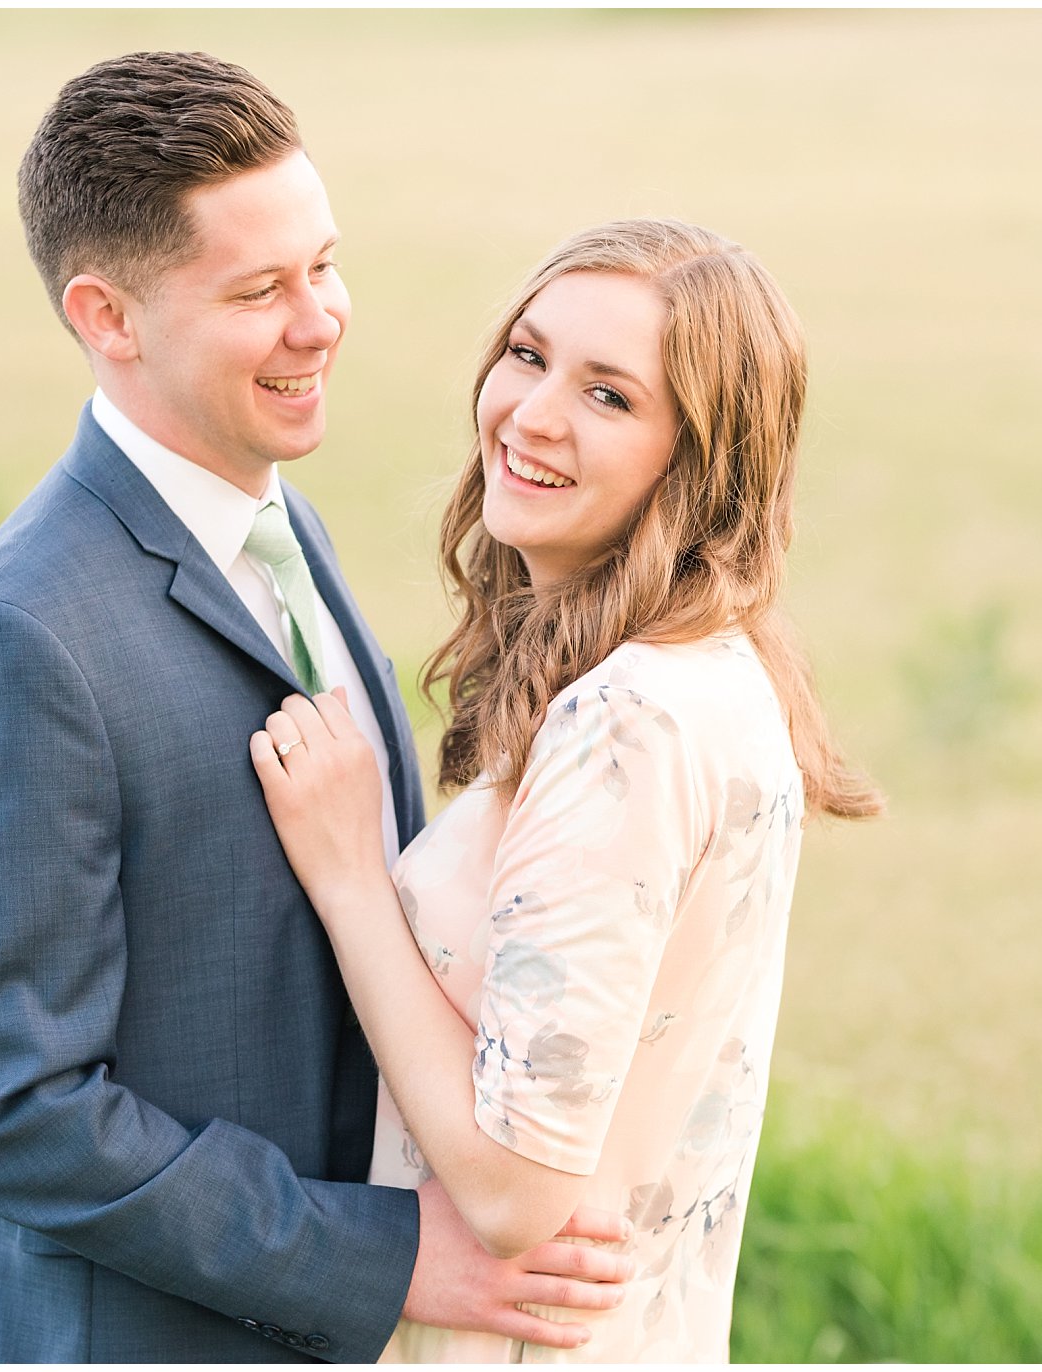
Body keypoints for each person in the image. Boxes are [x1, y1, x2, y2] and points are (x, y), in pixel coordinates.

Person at [0, 52, 631, 1363]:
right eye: (259, 291)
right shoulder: (16, 641)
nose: (321, 321)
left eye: (324, 265)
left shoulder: (290, 526)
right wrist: (385, 1257)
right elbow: (12, 1110)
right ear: (108, 317)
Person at [250, 218, 884, 1362]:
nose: (531, 414)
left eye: (610, 397)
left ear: (697, 462)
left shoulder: (625, 721)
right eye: (529, 356)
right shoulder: (718, 670)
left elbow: (513, 1189)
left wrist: (348, 877)